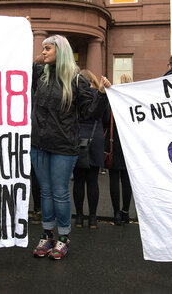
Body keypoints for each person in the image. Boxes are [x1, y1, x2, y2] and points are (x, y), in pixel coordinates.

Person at [30, 35, 110, 260]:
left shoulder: (77, 80)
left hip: (64, 146)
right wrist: (22, 32)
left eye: (48, 48)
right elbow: (15, 64)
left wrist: (102, 94)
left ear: (60, 51)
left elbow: (89, 113)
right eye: (42, 48)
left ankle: (63, 238)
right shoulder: (39, 75)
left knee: (59, 193)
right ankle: (47, 236)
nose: (43, 52)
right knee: (45, 192)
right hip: (38, 144)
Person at [72, 69, 109, 229]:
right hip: (95, 139)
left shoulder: (74, 95)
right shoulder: (100, 95)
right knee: (93, 180)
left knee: (78, 180)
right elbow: (106, 119)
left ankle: (79, 217)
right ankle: (93, 218)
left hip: (77, 138)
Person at [107, 74, 133, 225]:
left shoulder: (113, 99)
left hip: (114, 142)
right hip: (129, 143)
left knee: (114, 179)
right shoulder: (133, 100)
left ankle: (116, 213)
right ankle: (126, 212)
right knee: (126, 180)